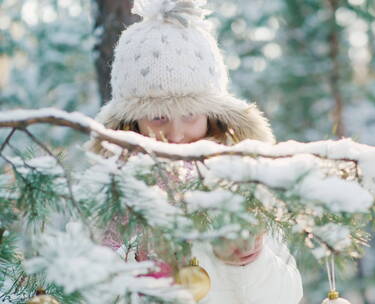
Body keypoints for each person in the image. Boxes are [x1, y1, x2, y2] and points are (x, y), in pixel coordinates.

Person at [86, 0, 303, 303]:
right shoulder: (106, 195)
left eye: (190, 115)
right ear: (130, 121)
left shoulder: (243, 185)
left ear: (213, 116)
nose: (175, 135)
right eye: (158, 116)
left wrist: (251, 262)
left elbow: (285, 296)